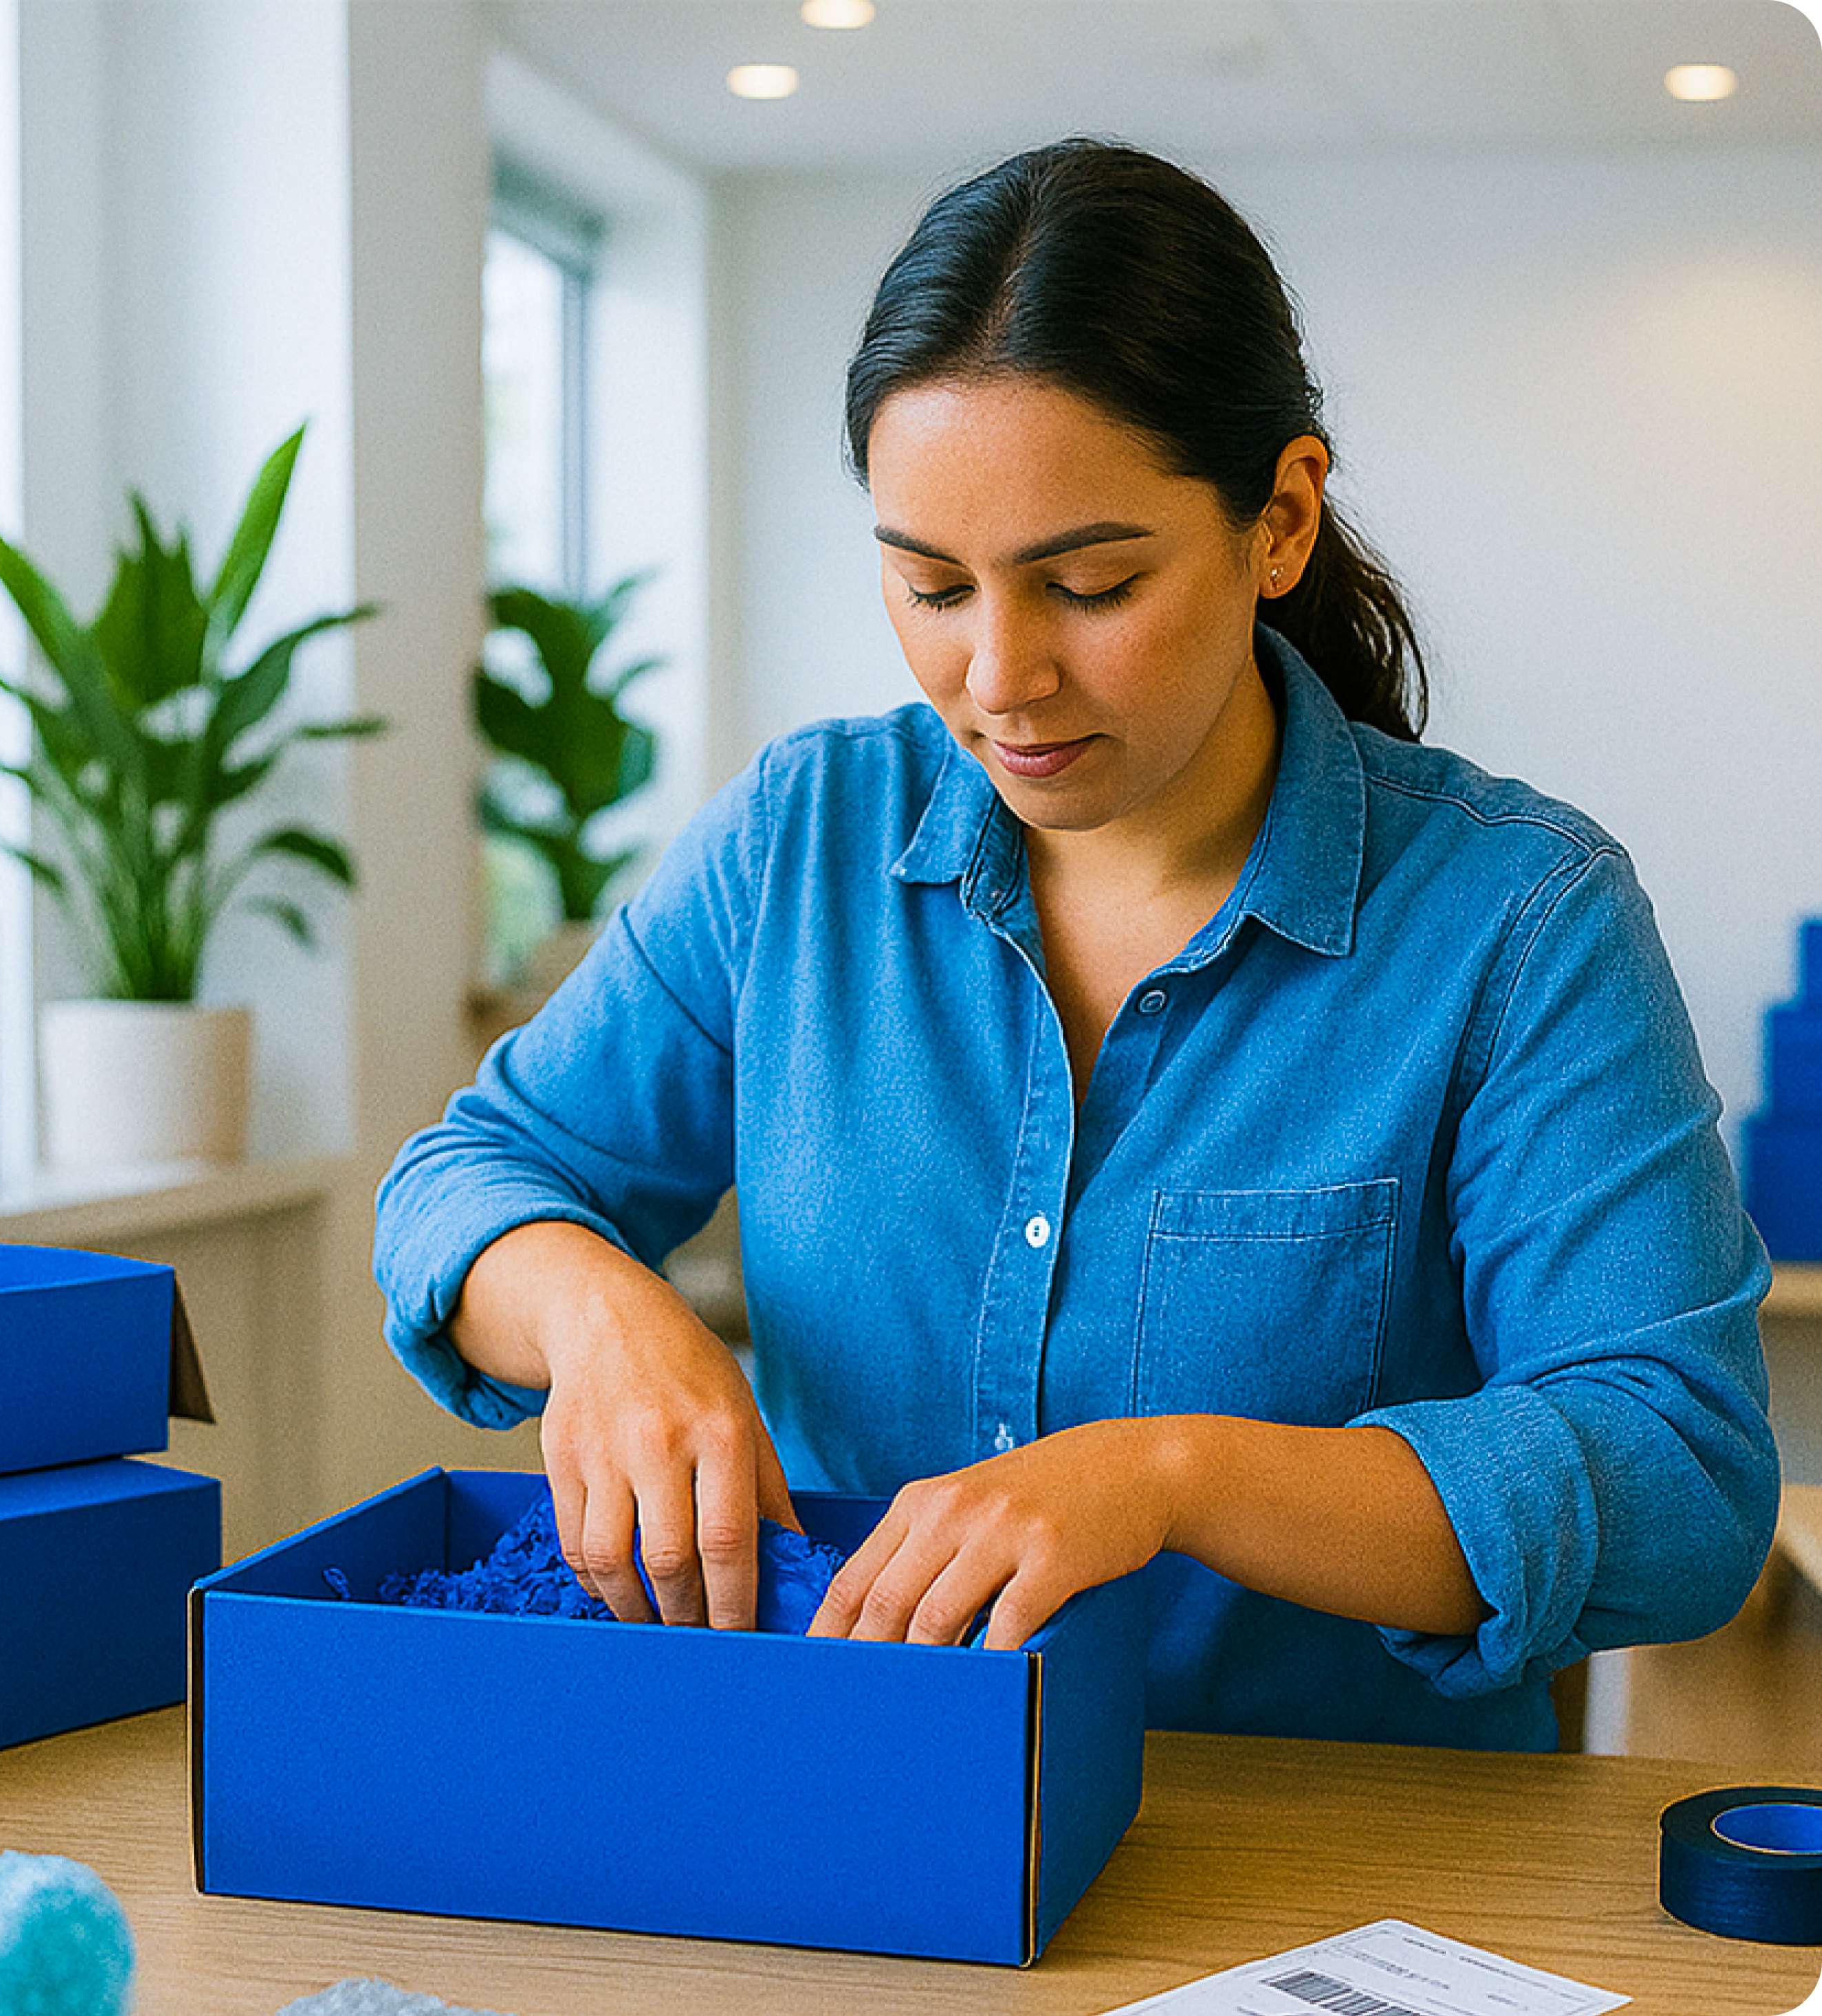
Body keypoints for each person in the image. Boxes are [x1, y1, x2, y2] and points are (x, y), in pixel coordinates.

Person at [373, 137, 1778, 1751]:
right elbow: (464, 1181)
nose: (998, 678)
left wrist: (1172, 1478)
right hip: (846, 1807)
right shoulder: (796, 846)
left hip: (1327, 1877)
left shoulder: (1517, 922)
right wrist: (596, 1315)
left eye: (1090, 584)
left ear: (1278, 522)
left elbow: (1677, 1483)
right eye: (929, 586)